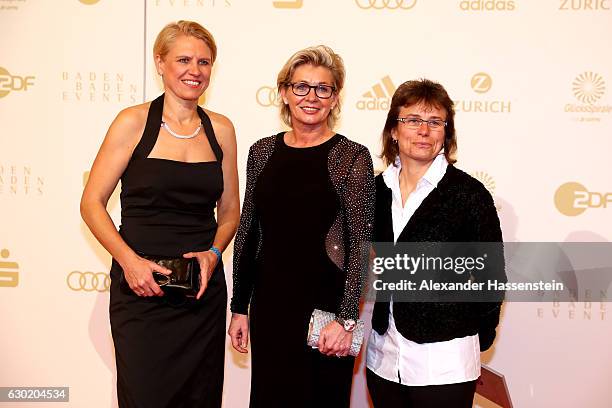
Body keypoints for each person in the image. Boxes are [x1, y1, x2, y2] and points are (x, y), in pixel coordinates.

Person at [80, 21, 239, 408]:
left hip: (200, 295)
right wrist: (129, 262)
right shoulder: (132, 122)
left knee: (199, 399)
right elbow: (91, 203)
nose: (194, 70)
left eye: (204, 62)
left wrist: (214, 253)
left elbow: (231, 211)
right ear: (160, 63)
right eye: (183, 59)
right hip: (141, 291)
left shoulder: (221, 129)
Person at [227, 45, 374, 407]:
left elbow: (359, 245)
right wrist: (239, 307)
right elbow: (248, 231)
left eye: (323, 88)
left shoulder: (351, 156)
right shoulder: (261, 151)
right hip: (271, 307)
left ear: (335, 97)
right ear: (284, 92)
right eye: (301, 87)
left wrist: (346, 318)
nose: (311, 97)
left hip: (324, 315)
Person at [365, 79, 504, 408]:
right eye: (412, 120)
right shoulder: (374, 190)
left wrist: (480, 333)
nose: (423, 131)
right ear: (394, 130)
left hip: (446, 362)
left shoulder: (469, 194)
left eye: (434, 122)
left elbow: (491, 277)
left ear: (446, 133)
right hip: (383, 357)